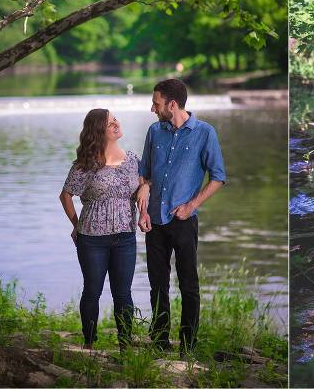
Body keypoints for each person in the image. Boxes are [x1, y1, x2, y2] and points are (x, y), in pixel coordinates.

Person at [136, 79, 226, 356]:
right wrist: (142, 203)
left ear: (171, 105)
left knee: (189, 286)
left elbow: (218, 177)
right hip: (154, 222)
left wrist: (191, 205)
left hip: (184, 221)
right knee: (157, 286)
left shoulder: (204, 133)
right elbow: (145, 174)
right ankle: (160, 343)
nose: (153, 108)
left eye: (156, 103)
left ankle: (188, 347)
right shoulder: (154, 132)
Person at [59, 109, 139, 350]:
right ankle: (90, 344)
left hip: (125, 236)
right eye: (109, 122)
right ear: (98, 131)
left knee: (123, 293)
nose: (116, 123)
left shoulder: (133, 160)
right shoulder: (86, 164)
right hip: (92, 239)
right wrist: (77, 225)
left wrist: (145, 191)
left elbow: (144, 184)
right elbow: (65, 195)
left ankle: (125, 344)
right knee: (92, 290)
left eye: (115, 119)